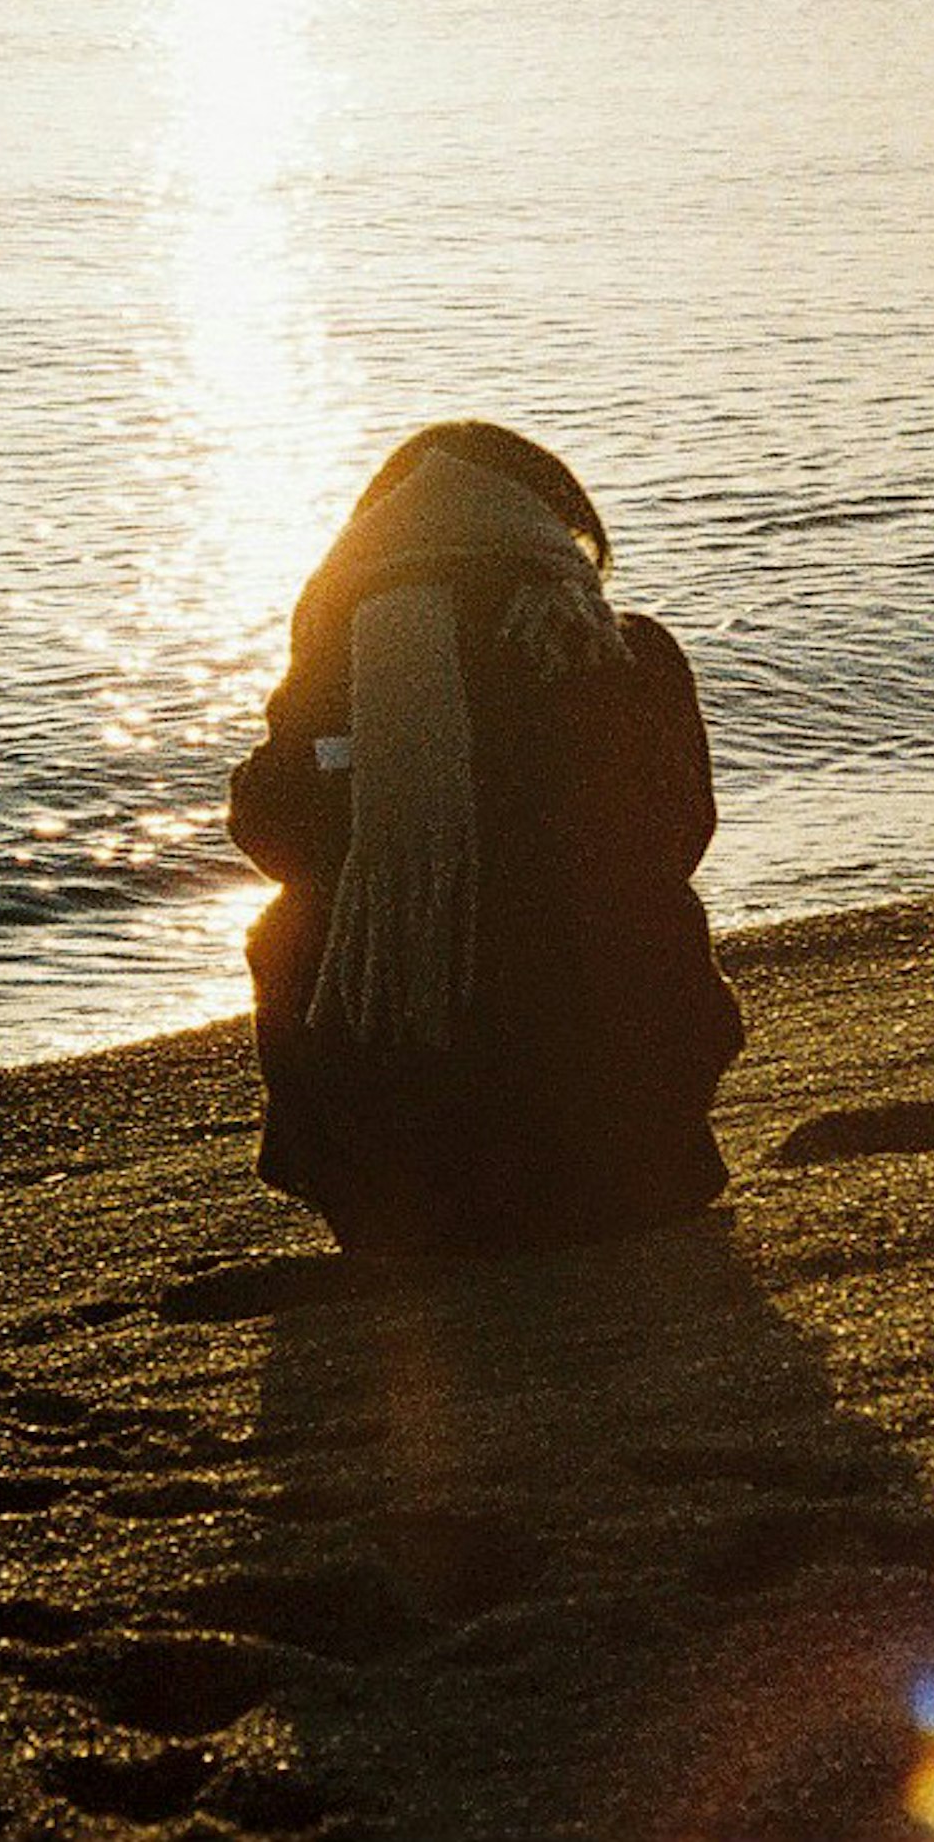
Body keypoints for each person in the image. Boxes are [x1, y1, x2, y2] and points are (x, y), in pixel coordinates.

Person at [229, 421, 742, 1253]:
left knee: (293, 930)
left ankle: (407, 1175)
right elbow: (679, 831)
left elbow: (269, 832)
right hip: (630, 1162)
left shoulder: (336, 671)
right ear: (555, 530)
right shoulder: (622, 652)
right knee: (642, 912)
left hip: (393, 1184)